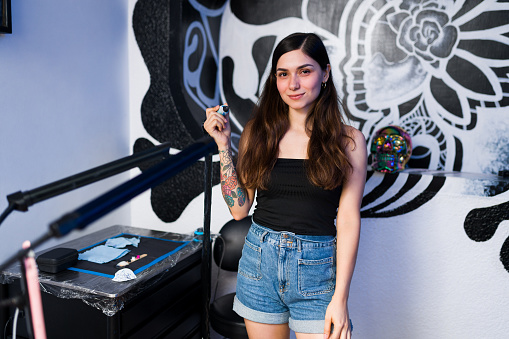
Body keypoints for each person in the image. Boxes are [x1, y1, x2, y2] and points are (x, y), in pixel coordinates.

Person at [203, 32, 366, 339]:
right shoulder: (258, 132)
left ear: (325, 73)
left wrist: (340, 298)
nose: (293, 85)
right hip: (258, 264)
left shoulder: (349, 141)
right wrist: (223, 145)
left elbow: (347, 219)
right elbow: (239, 209)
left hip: (316, 272)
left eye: (305, 71)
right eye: (283, 74)